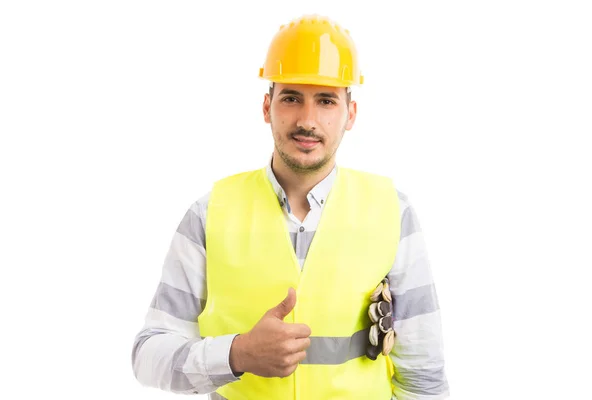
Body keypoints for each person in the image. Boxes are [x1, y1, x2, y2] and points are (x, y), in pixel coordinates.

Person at [131, 14, 450, 400]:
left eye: (326, 100)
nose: (307, 120)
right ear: (267, 107)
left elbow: (423, 375)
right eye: (291, 98)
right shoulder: (208, 214)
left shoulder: (392, 212)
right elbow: (148, 354)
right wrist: (236, 354)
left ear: (351, 114)